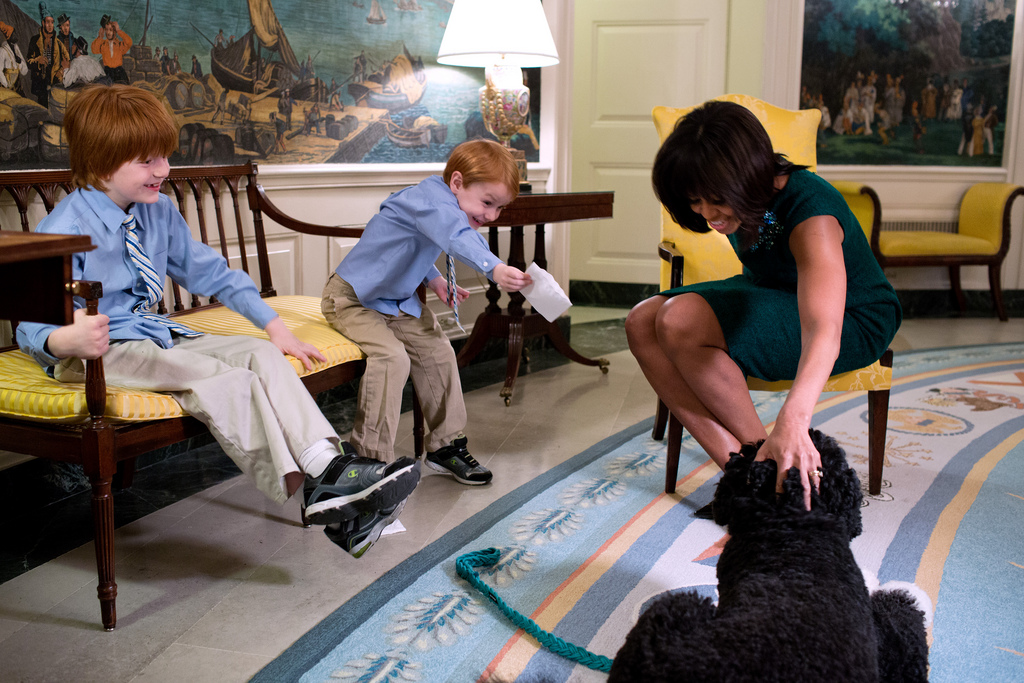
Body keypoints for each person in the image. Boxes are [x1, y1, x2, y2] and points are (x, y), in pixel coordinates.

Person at [15, 85, 419, 557]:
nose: (164, 171)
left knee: (261, 355)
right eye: (148, 161)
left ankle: (326, 473)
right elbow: (29, 327)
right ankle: (324, 486)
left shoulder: (158, 211)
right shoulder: (63, 228)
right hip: (97, 356)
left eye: (164, 157)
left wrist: (273, 326)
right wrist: (68, 339)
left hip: (155, 337)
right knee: (221, 378)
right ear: (105, 162)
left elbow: (211, 272)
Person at [625, 101, 901, 512]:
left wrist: (794, 419)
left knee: (680, 319)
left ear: (750, 172)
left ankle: (775, 479)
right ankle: (750, 474)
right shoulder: (740, 201)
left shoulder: (812, 212)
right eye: (695, 200)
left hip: (852, 319)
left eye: (716, 199)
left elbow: (823, 327)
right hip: (773, 292)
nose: (707, 214)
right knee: (642, 320)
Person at [320, 139, 532, 487]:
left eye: (500, 209)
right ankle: (367, 461)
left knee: (439, 352)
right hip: (352, 299)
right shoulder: (429, 201)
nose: (492, 216)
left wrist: (434, 280)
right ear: (458, 183)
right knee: (392, 359)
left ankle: (443, 447)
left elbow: (411, 246)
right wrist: (494, 268)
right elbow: (454, 233)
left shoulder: (441, 205)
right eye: (488, 203)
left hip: (397, 302)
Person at [27, 2, 70, 107]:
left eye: (52, 22)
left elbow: (67, 61)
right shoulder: (34, 40)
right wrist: (37, 61)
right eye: (47, 22)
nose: (50, 25)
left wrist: (60, 72)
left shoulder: (58, 43)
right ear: (43, 23)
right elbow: (28, 61)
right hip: (40, 83)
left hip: (54, 81)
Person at [91, 15, 131, 84]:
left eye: (111, 30)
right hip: (107, 73)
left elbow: (129, 42)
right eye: (106, 30)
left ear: (114, 31)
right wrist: (100, 37)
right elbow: (94, 49)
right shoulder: (103, 44)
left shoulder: (119, 45)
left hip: (119, 73)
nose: (108, 32)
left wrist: (119, 31)